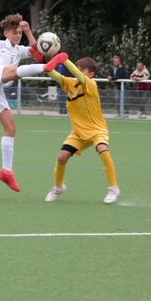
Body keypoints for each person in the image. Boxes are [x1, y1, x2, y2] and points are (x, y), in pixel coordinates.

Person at [0, 13, 54, 192]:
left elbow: (38, 53)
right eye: (14, 32)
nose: (17, 35)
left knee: (11, 128)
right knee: (11, 69)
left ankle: (6, 171)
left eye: (19, 33)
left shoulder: (20, 50)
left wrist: (28, 31)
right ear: (6, 33)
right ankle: (46, 69)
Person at [44, 54, 121, 204]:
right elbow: (54, 75)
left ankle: (114, 188)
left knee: (103, 149)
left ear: (90, 74)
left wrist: (64, 59)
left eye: (81, 70)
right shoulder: (71, 83)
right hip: (78, 132)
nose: (77, 72)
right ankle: (59, 187)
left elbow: (77, 74)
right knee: (62, 157)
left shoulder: (91, 84)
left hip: (97, 129)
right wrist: (43, 61)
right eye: (77, 69)